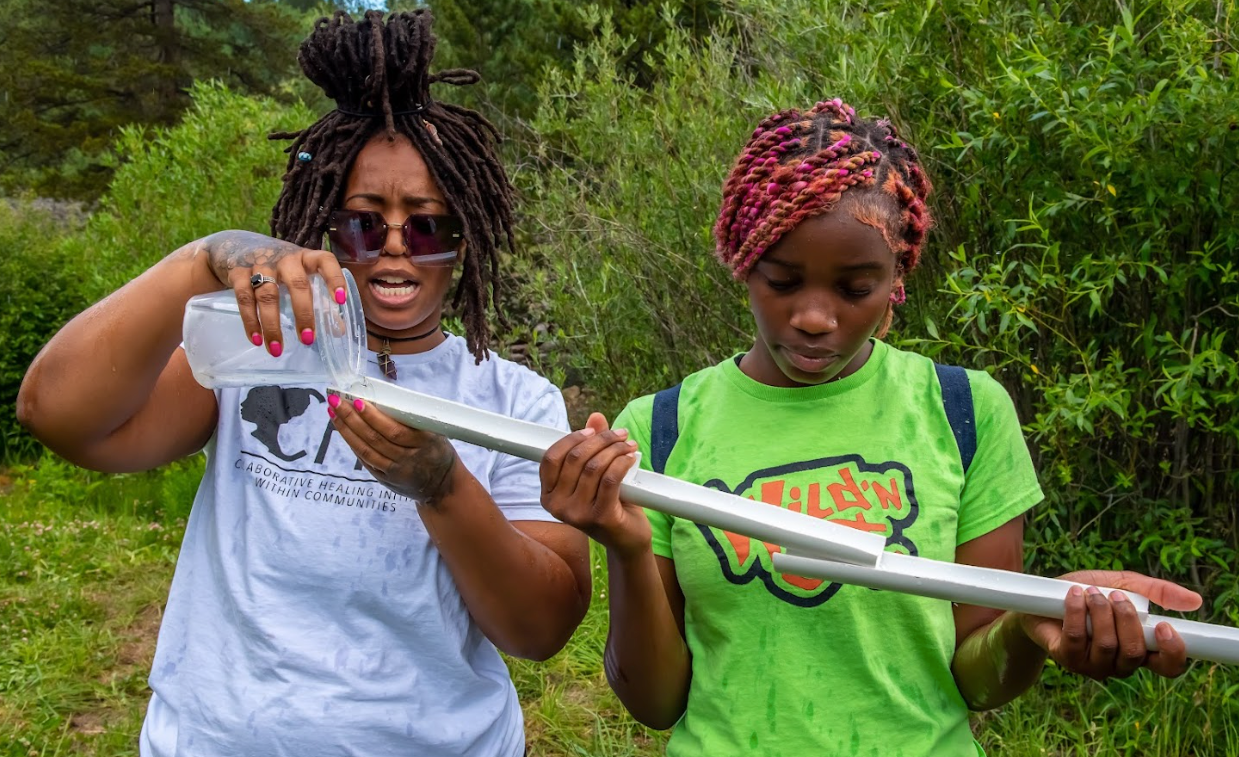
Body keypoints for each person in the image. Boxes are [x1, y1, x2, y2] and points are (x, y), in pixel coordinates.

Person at [537, 99, 1202, 756]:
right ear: (744, 260)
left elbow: (976, 681)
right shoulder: (658, 428)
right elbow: (653, 702)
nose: (814, 317)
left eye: (854, 288)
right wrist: (624, 545)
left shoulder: (962, 409)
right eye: (782, 280)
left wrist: (1030, 621)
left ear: (895, 280)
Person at [17, 10, 589, 757]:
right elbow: (55, 413)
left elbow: (540, 627)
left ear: (463, 240)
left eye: (427, 226)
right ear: (322, 224)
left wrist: (441, 484)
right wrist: (203, 258)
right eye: (361, 222)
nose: (392, 247)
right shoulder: (257, 351)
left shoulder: (515, 402)